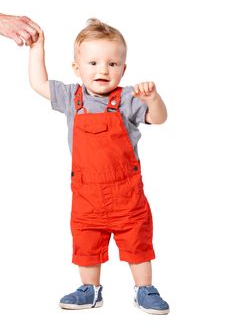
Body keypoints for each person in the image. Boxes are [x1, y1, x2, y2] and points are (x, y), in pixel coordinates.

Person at [28, 18, 170, 315]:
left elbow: (159, 119)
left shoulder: (129, 98)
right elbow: (38, 84)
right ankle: (90, 290)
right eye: (92, 63)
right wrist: (37, 48)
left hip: (126, 194)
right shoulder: (71, 97)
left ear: (123, 69)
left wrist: (153, 99)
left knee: (137, 239)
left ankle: (144, 288)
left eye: (112, 63)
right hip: (86, 194)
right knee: (85, 239)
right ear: (77, 69)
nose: (102, 70)